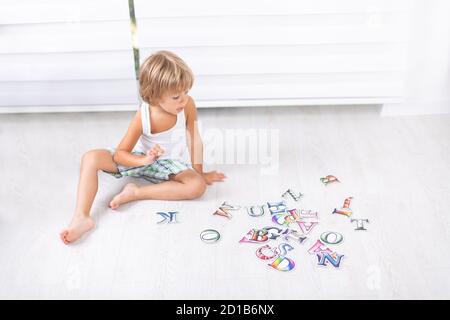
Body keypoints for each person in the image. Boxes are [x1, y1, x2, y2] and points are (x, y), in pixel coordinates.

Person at [60, 50, 226, 245]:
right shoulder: (144, 116)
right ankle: (82, 216)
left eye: (186, 92)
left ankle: (136, 193)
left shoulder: (187, 105)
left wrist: (200, 172)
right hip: (139, 159)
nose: (183, 99)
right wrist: (143, 160)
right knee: (90, 157)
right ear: (155, 96)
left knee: (197, 186)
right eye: (175, 97)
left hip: (170, 165)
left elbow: (193, 137)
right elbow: (121, 154)